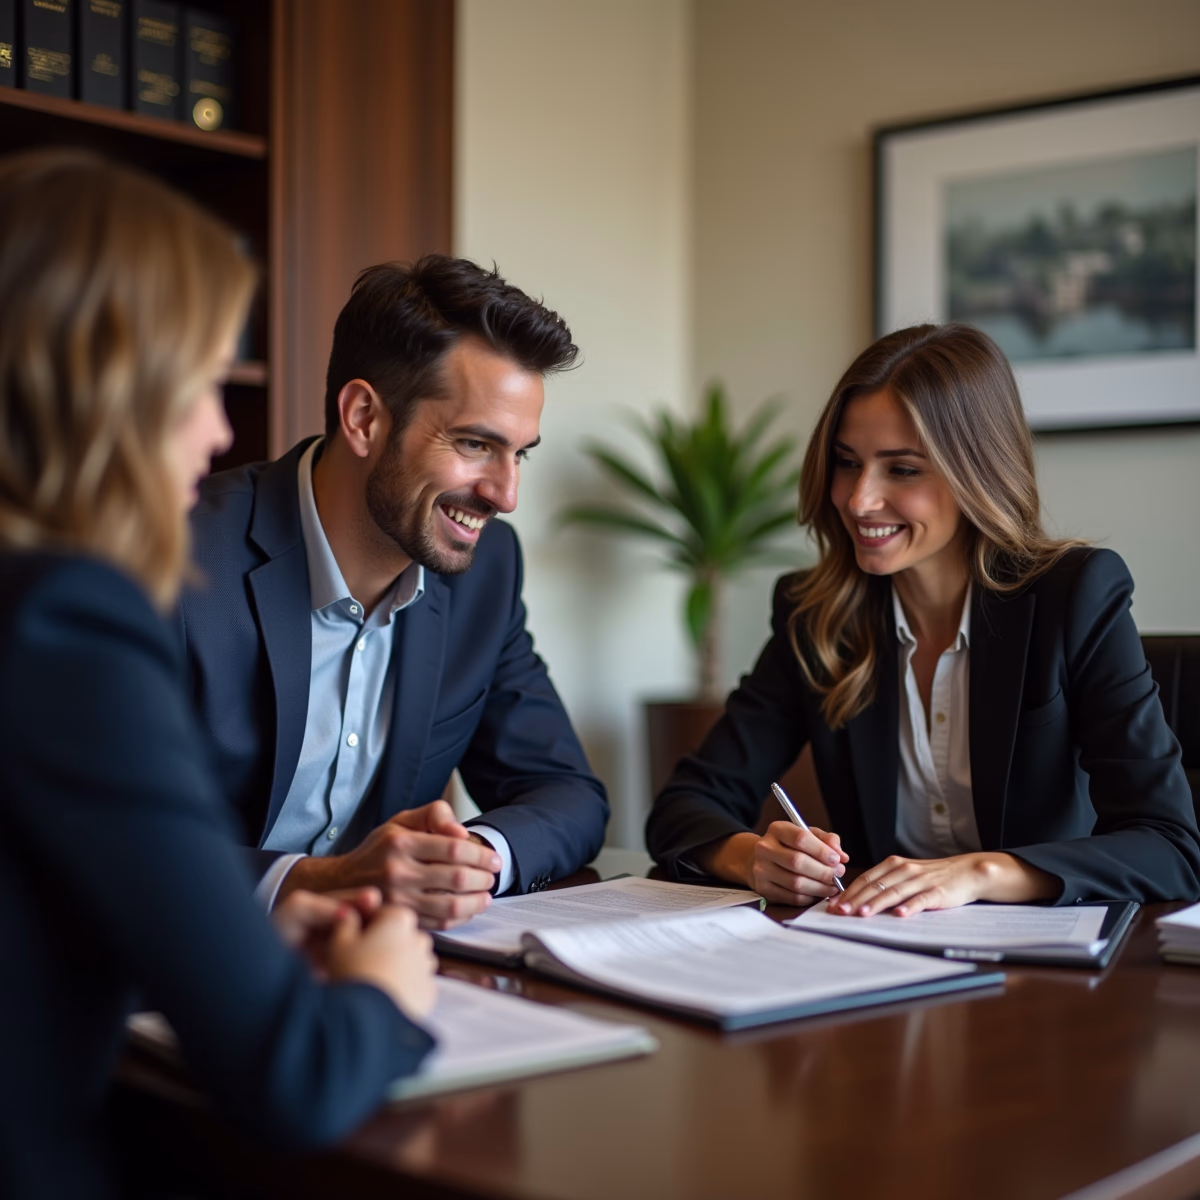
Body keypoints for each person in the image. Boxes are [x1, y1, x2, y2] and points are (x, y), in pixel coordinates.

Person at [0, 150, 439, 1200]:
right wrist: (383, 992)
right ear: (102, 390)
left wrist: (232, 930)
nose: (220, 428)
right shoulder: (65, 619)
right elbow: (295, 1077)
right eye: (199, 382)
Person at [646, 323, 1200, 914]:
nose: (859, 499)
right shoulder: (817, 616)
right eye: (847, 462)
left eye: (903, 469)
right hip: (879, 948)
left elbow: (1169, 847)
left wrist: (981, 872)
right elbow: (685, 805)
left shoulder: (1075, 597)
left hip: (1043, 958)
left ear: (976, 472)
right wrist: (752, 858)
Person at [180, 255, 608, 926]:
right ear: (363, 418)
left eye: (519, 453)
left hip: (386, 962)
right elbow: (92, 830)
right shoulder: (177, 555)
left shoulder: (487, 571)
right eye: (475, 444)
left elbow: (566, 793)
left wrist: (466, 860)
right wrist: (315, 882)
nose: (506, 495)